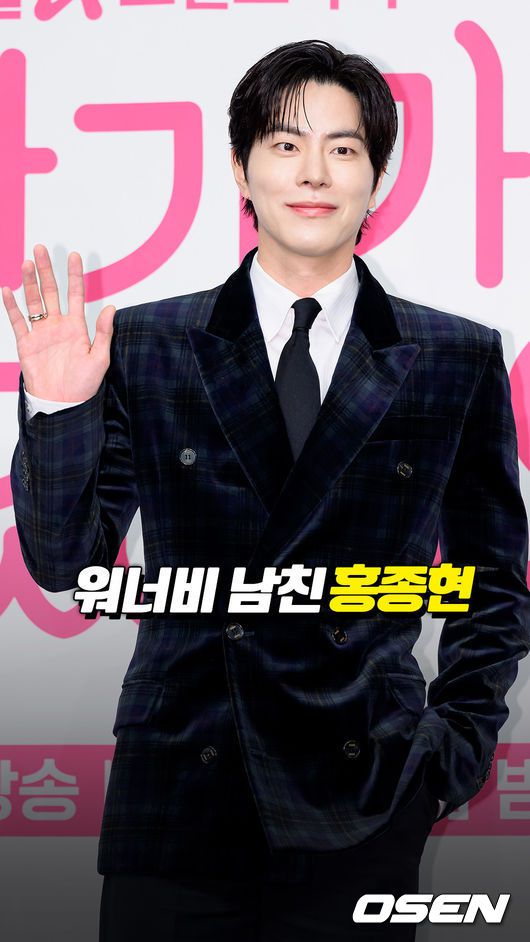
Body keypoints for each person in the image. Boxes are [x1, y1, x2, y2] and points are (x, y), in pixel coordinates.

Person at [4, 39, 530, 942]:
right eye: (285, 144)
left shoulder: (453, 357)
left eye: (342, 147)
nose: (313, 172)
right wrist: (59, 408)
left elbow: (494, 590)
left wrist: (448, 757)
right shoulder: (150, 345)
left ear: (378, 176)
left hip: (364, 801)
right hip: (179, 798)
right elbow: (65, 563)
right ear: (240, 167)